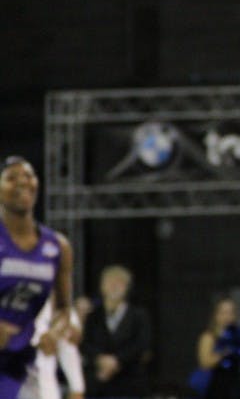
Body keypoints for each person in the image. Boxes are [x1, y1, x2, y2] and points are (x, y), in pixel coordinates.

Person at [0, 156, 74, 398]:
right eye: (12, 178)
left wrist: (55, 332)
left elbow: (64, 308)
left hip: (20, 364)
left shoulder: (57, 246)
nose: (22, 182)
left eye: (28, 176)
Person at [80, 264, 152, 398]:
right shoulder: (93, 316)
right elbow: (85, 343)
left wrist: (117, 361)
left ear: (127, 288)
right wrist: (100, 359)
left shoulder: (139, 316)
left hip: (130, 382)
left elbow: (141, 343)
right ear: (102, 286)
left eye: (119, 282)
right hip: (98, 383)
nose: (114, 286)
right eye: (110, 282)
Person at [194, 297, 240, 399]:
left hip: (238, 388)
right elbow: (204, 362)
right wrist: (225, 352)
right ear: (216, 315)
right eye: (224, 313)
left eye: (231, 313)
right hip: (217, 388)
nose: (228, 317)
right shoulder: (209, 336)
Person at [34, 294, 86, 399]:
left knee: (66, 344)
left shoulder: (61, 305)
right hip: (21, 365)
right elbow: (44, 343)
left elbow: (74, 337)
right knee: (45, 355)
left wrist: (77, 389)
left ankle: (77, 391)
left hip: (44, 368)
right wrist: (56, 331)